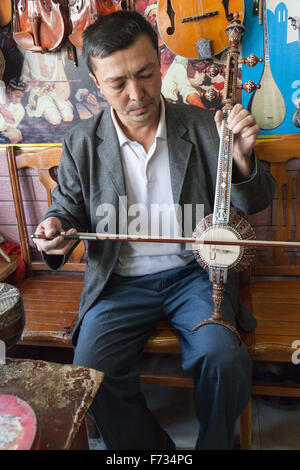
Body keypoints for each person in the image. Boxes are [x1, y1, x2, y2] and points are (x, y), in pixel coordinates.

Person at [33, 11, 275, 450]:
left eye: (146, 75)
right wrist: (55, 226)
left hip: (195, 277)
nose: (137, 94)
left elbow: (253, 203)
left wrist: (240, 159)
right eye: (117, 83)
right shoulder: (82, 141)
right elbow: (66, 209)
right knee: (91, 370)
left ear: (159, 65)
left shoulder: (205, 126)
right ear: (94, 80)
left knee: (223, 358)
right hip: (119, 282)